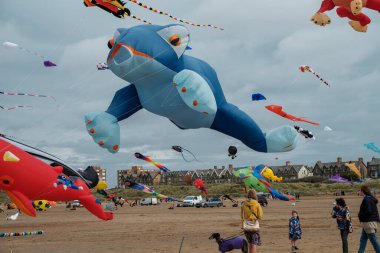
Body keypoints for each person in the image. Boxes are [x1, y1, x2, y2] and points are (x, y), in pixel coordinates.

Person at [358, 185, 380, 253]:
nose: (359, 192)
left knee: (374, 240)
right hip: (370, 222)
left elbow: (369, 211)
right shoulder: (370, 198)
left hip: (369, 223)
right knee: (363, 239)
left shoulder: (366, 199)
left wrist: (361, 216)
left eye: (360, 191)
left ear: (363, 191)